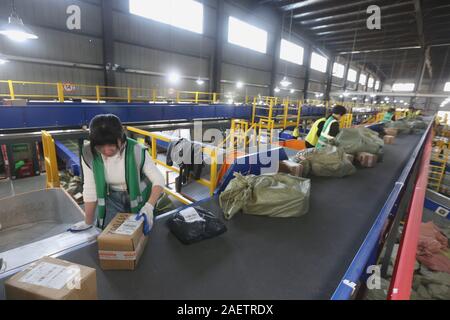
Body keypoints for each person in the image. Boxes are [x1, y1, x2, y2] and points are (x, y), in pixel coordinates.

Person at [69, 114, 170, 234]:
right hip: (112, 198)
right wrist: (88, 222)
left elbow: (158, 179)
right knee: (109, 232)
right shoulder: (89, 153)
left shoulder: (136, 150)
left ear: (121, 138)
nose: (106, 150)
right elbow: (90, 188)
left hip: (140, 196)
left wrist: (149, 206)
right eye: (101, 146)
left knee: (139, 232)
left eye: (111, 145)